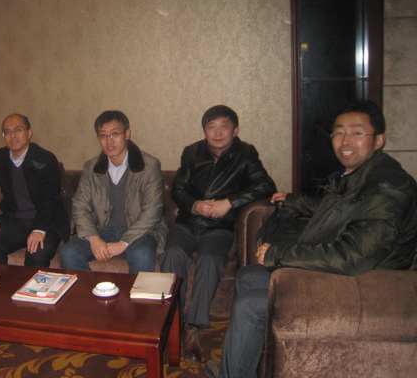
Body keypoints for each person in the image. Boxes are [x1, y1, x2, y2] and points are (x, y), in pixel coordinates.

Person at [207, 100, 417, 378]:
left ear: (378, 140)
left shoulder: (386, 187)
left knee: (251, 305)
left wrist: (278, 254)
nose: (345, 140)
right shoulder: (362, 176)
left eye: (356, 132)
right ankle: (247, 361)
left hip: (365, 287)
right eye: (338, 132)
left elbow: (355, 256)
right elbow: (341, 208)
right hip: (342, 275)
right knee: (249, 275)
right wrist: (295, 200)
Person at [159, 105, 276, 363]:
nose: (218, 133)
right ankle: (173, 321)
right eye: (211, 127)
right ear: (204, 131)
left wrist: (229, 202)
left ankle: (193, 328)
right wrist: (195, 205)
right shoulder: (192, 152)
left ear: (235, 130)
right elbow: (178, 190)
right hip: (187, 223)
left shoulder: (246, 153)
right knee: (172, 254)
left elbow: (266, 185)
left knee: (211, 260)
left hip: (219, 227)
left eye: (224, 126)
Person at [60, 110, 167, 274]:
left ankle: (138, 293)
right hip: (102, 229)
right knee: (69, 253)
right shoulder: (91, 168)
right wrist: (94, 238)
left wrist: (123, 243)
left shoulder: (149, 166)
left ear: (127, 134)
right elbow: (80, 206)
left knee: (141, 255)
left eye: (115, 134)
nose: (109, 141)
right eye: (103, 136)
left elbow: (152, 212)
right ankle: (92, 290)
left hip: (140, 232)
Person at [0, 114, 68, 266]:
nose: (13, 136)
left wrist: (39, 230)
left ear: (29, 133)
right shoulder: (0, 157)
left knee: (37, 252)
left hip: (47, 221)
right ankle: (0, 281)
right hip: (15, 220)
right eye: (7, 132)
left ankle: (31, 283)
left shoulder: (45, 159)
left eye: (18, 130)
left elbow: (50, 200)